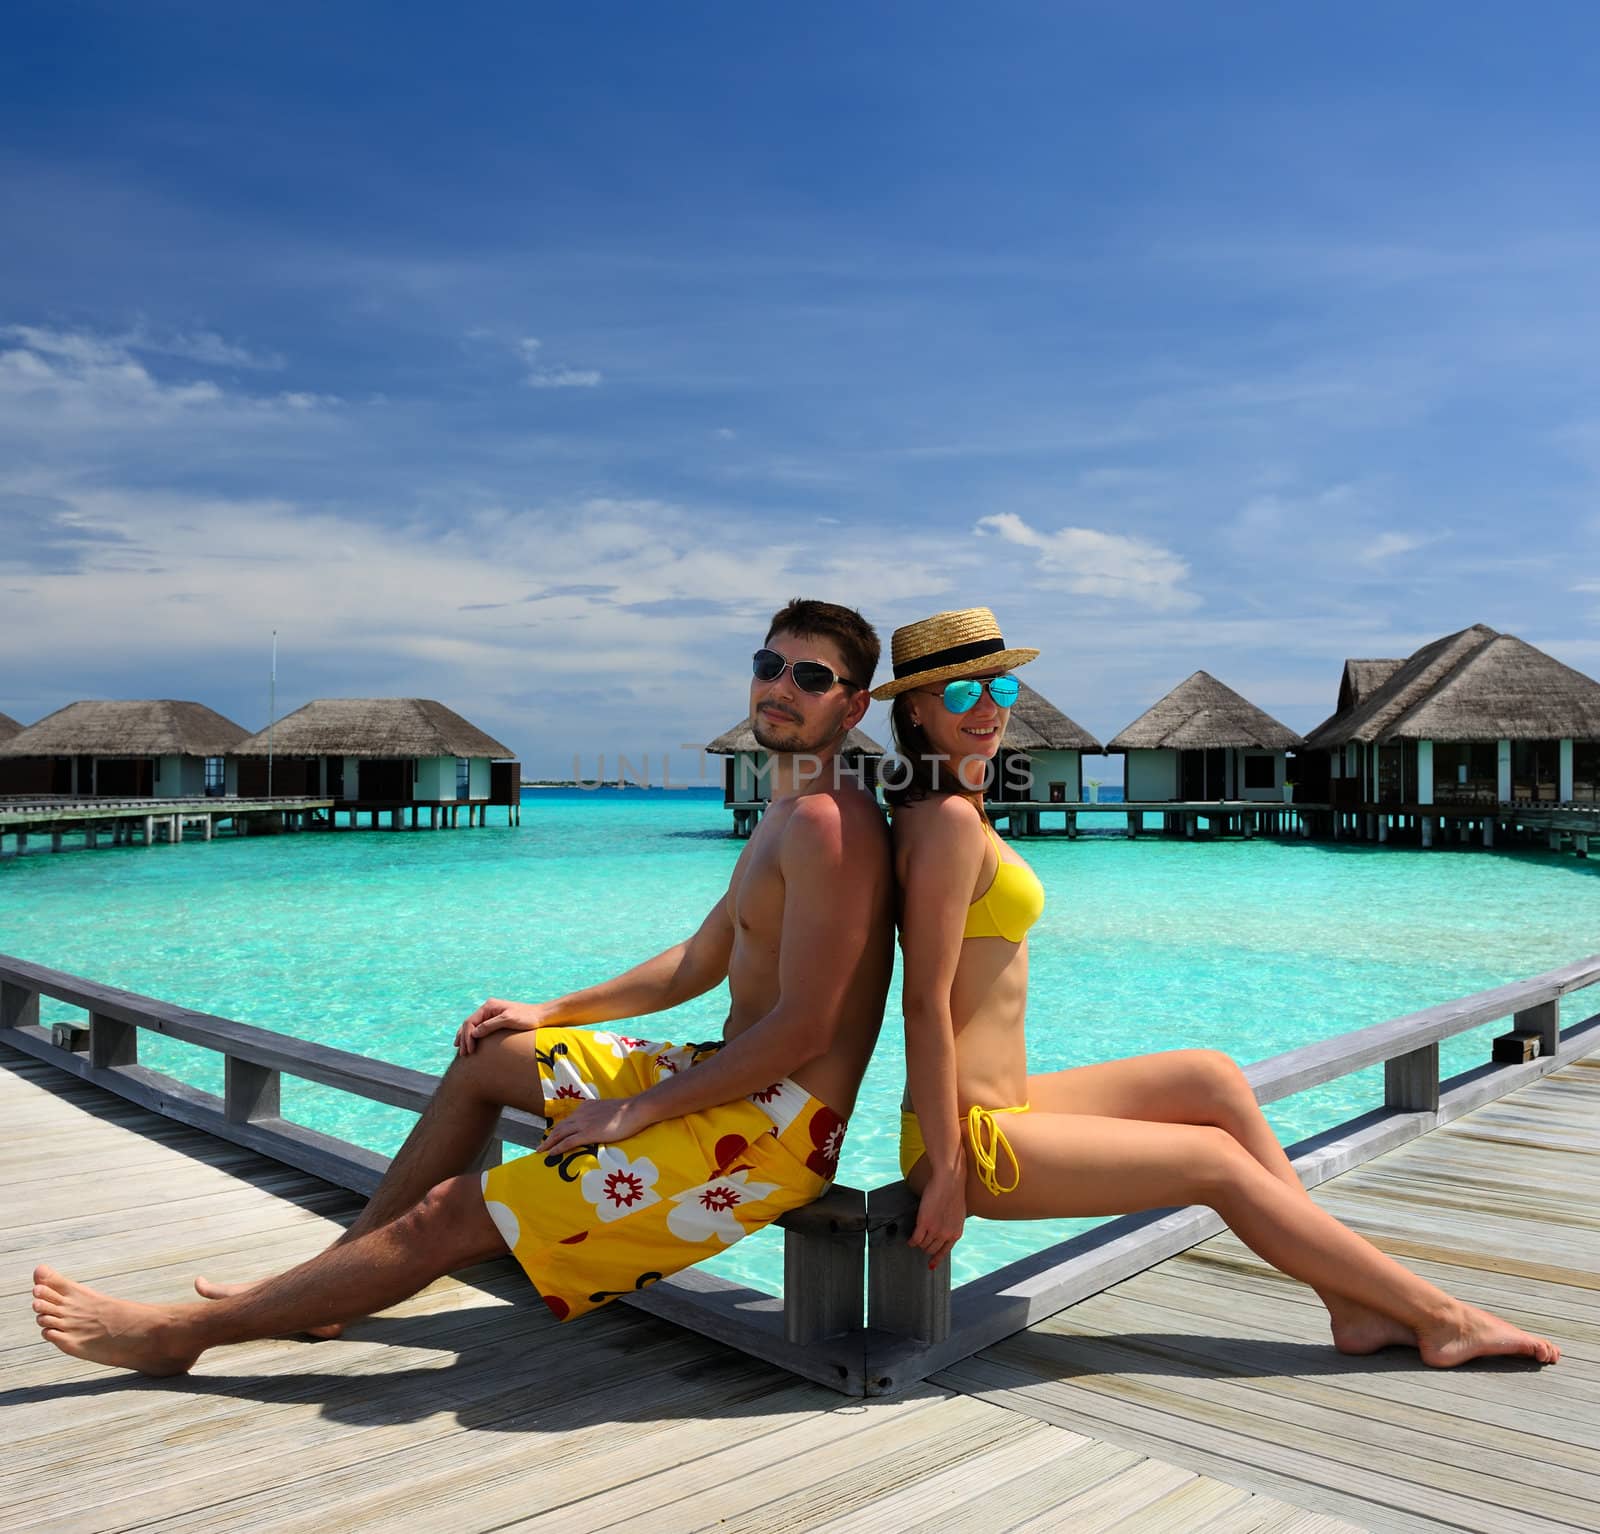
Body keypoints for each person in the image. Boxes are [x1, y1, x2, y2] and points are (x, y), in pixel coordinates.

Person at [32, 599, 894, 1374]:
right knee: (493, 1052)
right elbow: (699, 960)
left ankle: (173, 1336)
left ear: (852, 706)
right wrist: (551, 1011)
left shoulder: (831, 822)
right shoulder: (788, 807)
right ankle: (328, 1289)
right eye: (768, 665)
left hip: (775, 1131)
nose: (780, 687)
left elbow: (807, 1029)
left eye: (811, 677)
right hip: (725, 1077)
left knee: (447, 1214)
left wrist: (634, 1112)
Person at [879, 605, 1558, 1368]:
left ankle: (1349, 1300)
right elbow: (923, 1001)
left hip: (1009, 1101)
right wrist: (942, 1171)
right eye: (962, 695)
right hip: (975, 1139)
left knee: (1209, 1076)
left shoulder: (952, 808)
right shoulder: (946, 822)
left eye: (998, 691)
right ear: (916, 709)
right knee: (1214, 1162)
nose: (989, 712)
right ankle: (1437, 1315)